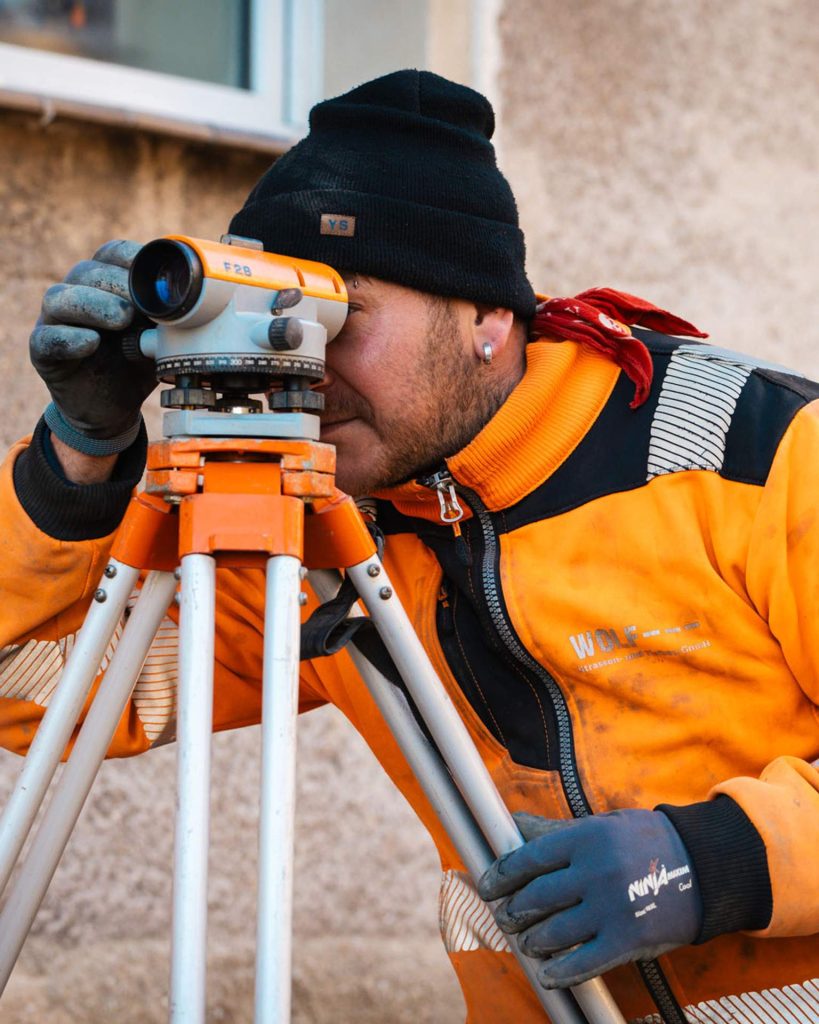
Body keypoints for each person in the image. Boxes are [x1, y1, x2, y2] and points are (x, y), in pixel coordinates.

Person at [1, 68, 818, 1024]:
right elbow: (31, 679)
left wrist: (708, 863)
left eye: (341, 314)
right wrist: (77, 460)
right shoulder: (318, 540)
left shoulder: (744, 449)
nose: (307, 366)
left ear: (487, 318)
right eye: (283, 323)